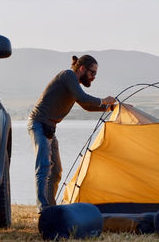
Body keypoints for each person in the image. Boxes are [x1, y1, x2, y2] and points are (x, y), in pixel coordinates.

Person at [28, 54, 116, 212]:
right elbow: (83, 97)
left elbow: (86, 105)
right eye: (92, 73)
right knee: (44, 167)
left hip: (50, 128)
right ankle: (43, 209)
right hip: (38, 124)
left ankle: (51, 208)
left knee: (55, 171)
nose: (94, 77)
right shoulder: (68, 76)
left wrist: (110, 108)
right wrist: (104, 100)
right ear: (82, 68)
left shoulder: (73, 84)